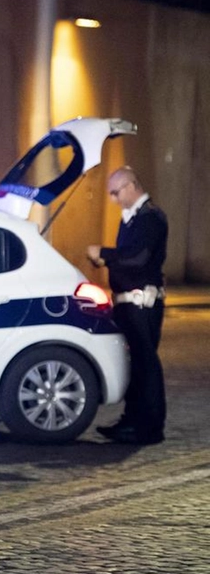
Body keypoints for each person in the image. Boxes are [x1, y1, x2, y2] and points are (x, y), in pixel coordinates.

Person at [87, 166, 168, 444]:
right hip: (129, 302)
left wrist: (105, 254)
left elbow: (138, 258)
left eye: (115, 192)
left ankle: (149, 427)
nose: (113, 198)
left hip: (141, 303)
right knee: (137, 365)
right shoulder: (133, 218)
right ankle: (133, 421)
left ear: (131, 186)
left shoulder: (150, 218)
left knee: (146, 364)